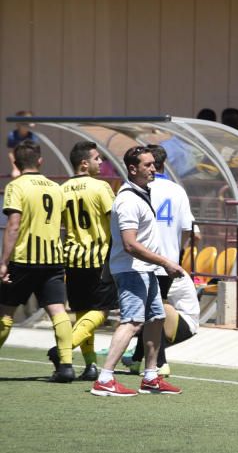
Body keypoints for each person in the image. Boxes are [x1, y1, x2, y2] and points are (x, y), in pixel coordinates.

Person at [90, 146, 186, 396]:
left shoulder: (141, 193)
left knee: (156, 318)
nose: (154, 169)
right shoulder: (128, 199)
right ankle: (105, 378)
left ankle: (151, 376)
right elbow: (130, 244)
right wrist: (165, 262)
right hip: (132, 270)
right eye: (148, 165)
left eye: (154, 164)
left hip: (145, 269)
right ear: (132, 169)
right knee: (132, 321)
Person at [0, 140, 74, 382]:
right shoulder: (56, 187)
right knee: (58, 311)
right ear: (40, 161)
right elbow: (63, 224)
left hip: (23, 260)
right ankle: (66, 366)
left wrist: (3, 261)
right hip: (53, 259)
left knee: (6, 311)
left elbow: (13, 225)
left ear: (16, 163)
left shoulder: (16, 186)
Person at [55, 141, 118, 381]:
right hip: (99, 258)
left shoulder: (62, 189)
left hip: (72, 257)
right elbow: (115, 220)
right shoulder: (101, 187)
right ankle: (63, 349)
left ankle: (90, 365)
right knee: (102, 310)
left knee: (82, 312)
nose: (101, 162)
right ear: (84, 163)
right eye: (97, 158)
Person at [7, 110, 36, 179]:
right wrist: (15, 168)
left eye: (30, 121)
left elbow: (34, 155)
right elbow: (11, 153)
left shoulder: (33, 137)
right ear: (18, 124)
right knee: (16, 176)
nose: (28, 123)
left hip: (30, 165)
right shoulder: (12, 135)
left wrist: (31, 169)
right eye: (25, 121)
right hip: (17, 164)